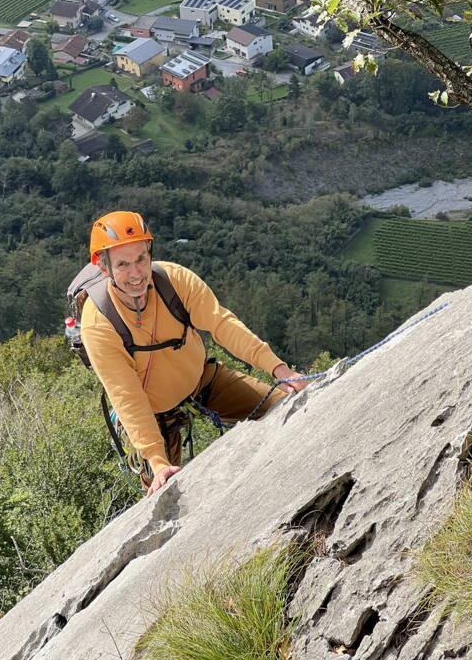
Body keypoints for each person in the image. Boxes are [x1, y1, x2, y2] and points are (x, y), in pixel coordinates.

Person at [81, 210, 309, 497]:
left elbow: (223, 325)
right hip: (153, 415)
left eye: (141, 258)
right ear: (104, 268)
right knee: (163, 495)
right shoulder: (99, 323)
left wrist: (280, 370)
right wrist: (156, 459)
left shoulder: (174, 281)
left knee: (285, 406)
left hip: (201, 381)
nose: (136, 273)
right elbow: (126, 395)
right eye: (123, 264)